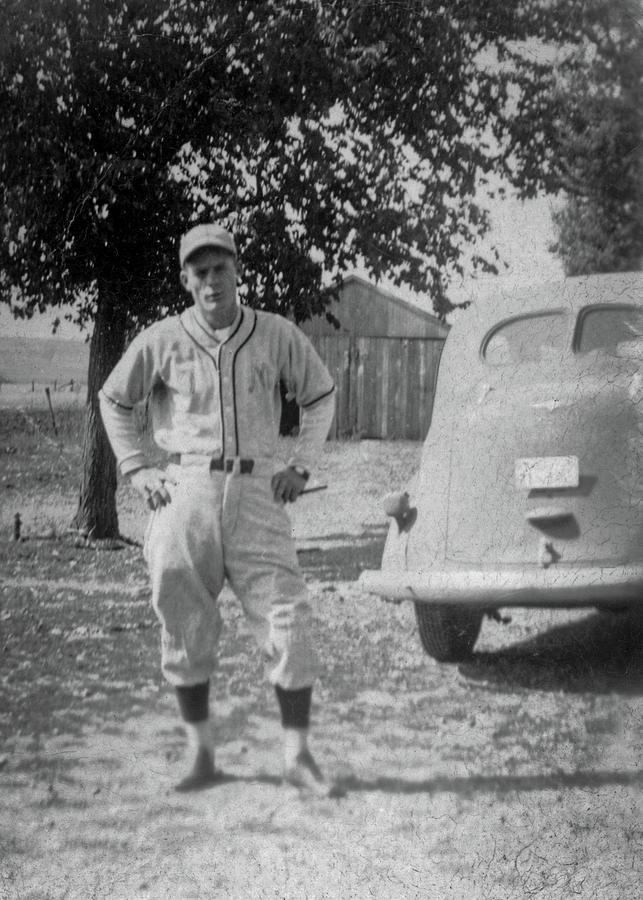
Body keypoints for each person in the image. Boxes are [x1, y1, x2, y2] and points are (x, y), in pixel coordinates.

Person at [99, 223, 336, 793]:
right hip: (184, 490)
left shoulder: (274, 333)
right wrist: (136, 467)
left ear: (236, 271)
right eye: (199, 271)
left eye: (219, 268)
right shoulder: (161, 338)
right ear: (186, 279)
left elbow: (320, 394)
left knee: (288, 615)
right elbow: (114, 399)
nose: (211, 280)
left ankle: (297, 756)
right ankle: (200, 754)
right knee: (182, 617)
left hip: (257, 490)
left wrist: (300, 464)